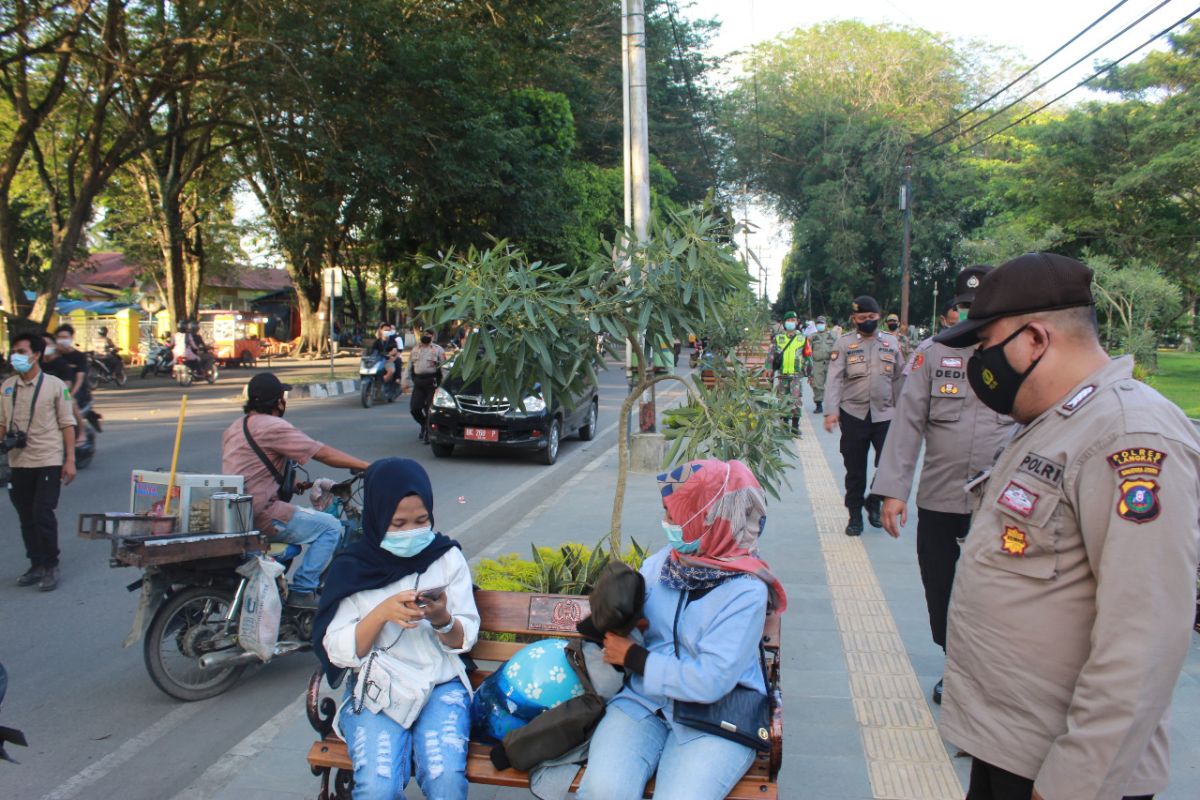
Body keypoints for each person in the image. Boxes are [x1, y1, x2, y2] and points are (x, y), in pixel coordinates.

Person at [931, 253, 1200, 800]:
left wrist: (1074, 783)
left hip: (1065, 772)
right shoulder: (1055, 422)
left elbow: (1143, 638)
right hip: (1014, 749)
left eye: (985, 345)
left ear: (1034, 339)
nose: (979, 362)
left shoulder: (1127, 436)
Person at [578, 459, 787, 800]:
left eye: (675, 514)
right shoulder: (664, 562)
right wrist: (617, 616)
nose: (667, 523)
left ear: (708, 518)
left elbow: (711, 679)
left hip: (717, 717)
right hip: (645, 704)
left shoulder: (747, 591)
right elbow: (630, 626)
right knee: (603, 791)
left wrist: (635, 657)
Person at [870, 265, 1013, 705]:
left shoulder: (1017, 355)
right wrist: (894, 490)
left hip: (1003, 502)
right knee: (941, 585)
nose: (972, 315)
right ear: (955, 309)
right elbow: (908, 422)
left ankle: (982, 673)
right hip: (941, 494)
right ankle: (954, 658)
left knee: (997, 588)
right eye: (966, 307)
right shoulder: (933, 353)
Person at [314, 457, 478, 800]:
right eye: (398, 523)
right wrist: (380, 614)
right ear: (376, 516)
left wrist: (442, 619)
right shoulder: (354, 568)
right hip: (378, 689)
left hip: (440, 683)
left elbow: (465, 638)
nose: (411, 532)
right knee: (378, 786)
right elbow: (338, 649)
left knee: (445, 776)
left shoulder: (445, 557)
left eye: (421, 520)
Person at [221, 373, 369, 609]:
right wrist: (368, 466)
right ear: (279, 401)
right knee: (330, 527)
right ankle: (303, 589)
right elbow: (321, 452)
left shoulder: (236, 427)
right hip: (262, 513)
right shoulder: (273, 426)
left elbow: (251, 467)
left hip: (236, 513)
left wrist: (294, 482)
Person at [1, 332, 76, 591]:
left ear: (36, 355)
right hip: (18, 461)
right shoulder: (7, 386)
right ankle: (35, 564)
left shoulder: (56, 386)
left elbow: (68, 424)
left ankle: (51, 565)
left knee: (42, 512)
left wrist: (70, 460)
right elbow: (2, 423)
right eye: (14, 351)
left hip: (48, 459)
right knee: (25, 516)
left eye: (21, 352)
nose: (16, 356)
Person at [823, 296, 904, 536]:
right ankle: (855, 515)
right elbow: (835, 379)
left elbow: (900, 378)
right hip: (853, 414)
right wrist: (831, 412)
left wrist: (905, 413)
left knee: (890, 464)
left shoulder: (891, 343)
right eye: (862, 318)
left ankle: (874, 499)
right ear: (854, 319)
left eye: (871, 318)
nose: (867, 322)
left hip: (885, 413)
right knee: (855, 470)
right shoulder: (844, 343)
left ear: (878, 317)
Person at [48, 325, 95, 447]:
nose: (62, 340)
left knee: (70, 401)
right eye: (59, 337)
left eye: (65, 337)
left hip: (74, 390)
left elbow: (79, 379)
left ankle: (82, 431)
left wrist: (71, 393)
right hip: (54, 390)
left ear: (71, 338)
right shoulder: (51, 356)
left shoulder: (79, 356)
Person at [766, 310, 811, 435]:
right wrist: (768, 368)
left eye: (793, 320)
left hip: (796, 375)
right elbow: (771, 354)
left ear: (797, 322)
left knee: (796, 400)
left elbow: (808, 357)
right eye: (789, 320)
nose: (791, 322)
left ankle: (795, 426)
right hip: (782, 375)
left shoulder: (802, 339)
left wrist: (810, 373)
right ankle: (785, 425)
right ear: (784, 323)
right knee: (783, 400)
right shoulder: (778, 338)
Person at [406, 330, 444, 442]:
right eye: (424, 334)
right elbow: (409, 366)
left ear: (432, 336)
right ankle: (424, 424)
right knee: (415, 408)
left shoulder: (438, 350)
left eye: (428, 335)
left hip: (432, 382)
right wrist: (405, 381)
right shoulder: (415, 349)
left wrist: (444, 384)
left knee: (429, 408)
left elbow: (444, 367)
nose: (426, 336)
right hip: (418, 382)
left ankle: (428, 432)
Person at [807, 315, 837, 414]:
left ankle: (832, 406)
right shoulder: (812, 336)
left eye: (822, 323)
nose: (820, 325)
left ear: (826, 324)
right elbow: (807, 350)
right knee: (817, 385)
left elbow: (839, 346)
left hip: (830, 363)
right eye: (818, 323)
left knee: (832, 385)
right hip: (817, 363)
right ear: (816, 325)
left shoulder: (832, 335)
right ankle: (819, 405)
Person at [370, 323, 402, 390]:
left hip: (387, 361)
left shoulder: (392, 341)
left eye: (388, 330)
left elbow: (395, 350)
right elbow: (372, 351)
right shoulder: (377, 342)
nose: (387, 332)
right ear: (381, 330)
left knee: (391, 371)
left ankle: (381, 384)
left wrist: (392, 355)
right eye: (385, 330)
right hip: (378, 361)